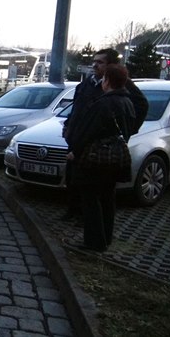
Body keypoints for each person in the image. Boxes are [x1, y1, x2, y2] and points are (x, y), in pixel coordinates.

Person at [62, 48, 148, 223]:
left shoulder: (119, 85)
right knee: (74, 179)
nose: (94, 65)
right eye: (94, 61)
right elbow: (76, 108)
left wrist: (126, 130)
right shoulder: (86, 84)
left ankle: (91, 225)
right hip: (78, 138)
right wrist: (69, 124)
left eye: (100, 62)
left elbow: (140, 106)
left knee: (96, 189)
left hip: (98, 146)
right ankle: (73, 211)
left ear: (111, 66)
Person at [65, 64, 136, 252]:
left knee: (90, 200)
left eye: (104, 79)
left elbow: (88, 131)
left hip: (96, 159)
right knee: (107, 198)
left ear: (107, 81)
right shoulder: (127, 102)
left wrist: (76, 151)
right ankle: (106, 237)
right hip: (116, 158)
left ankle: (93, 242)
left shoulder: (104, 103)